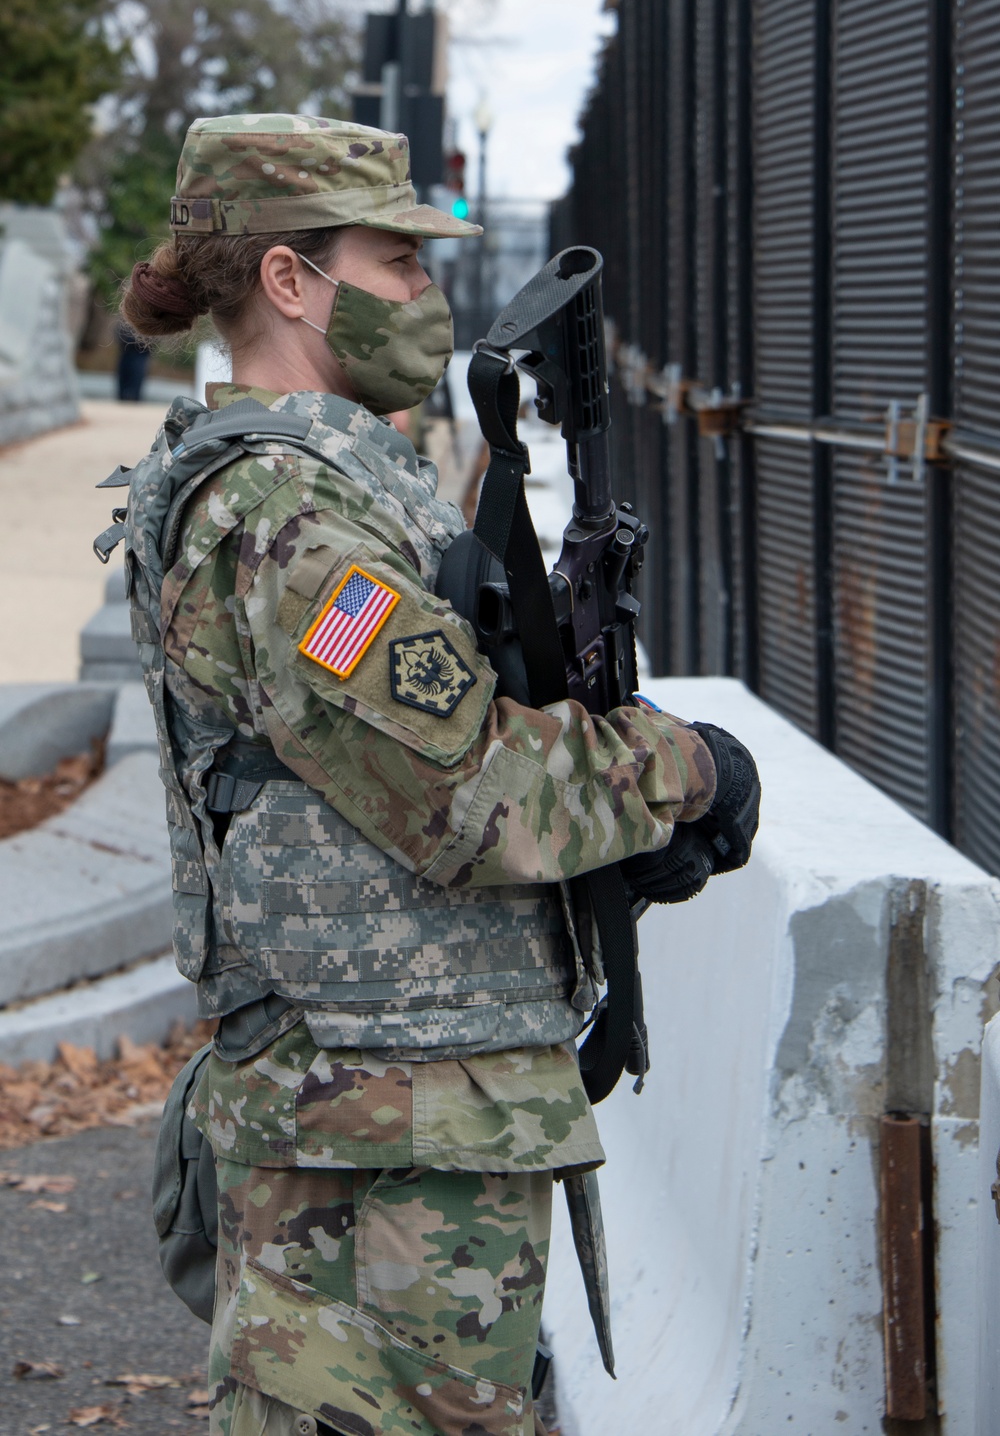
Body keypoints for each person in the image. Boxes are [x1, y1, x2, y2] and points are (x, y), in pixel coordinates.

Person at [116, 114, 758, 1436]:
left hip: (405, 1142)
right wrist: (687, 771)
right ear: (290, 281)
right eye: (397, 262)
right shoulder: (281, 523)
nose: (429, 294)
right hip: (364, 1167)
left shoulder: (352, 487)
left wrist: (612, 830)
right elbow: (470, 793)